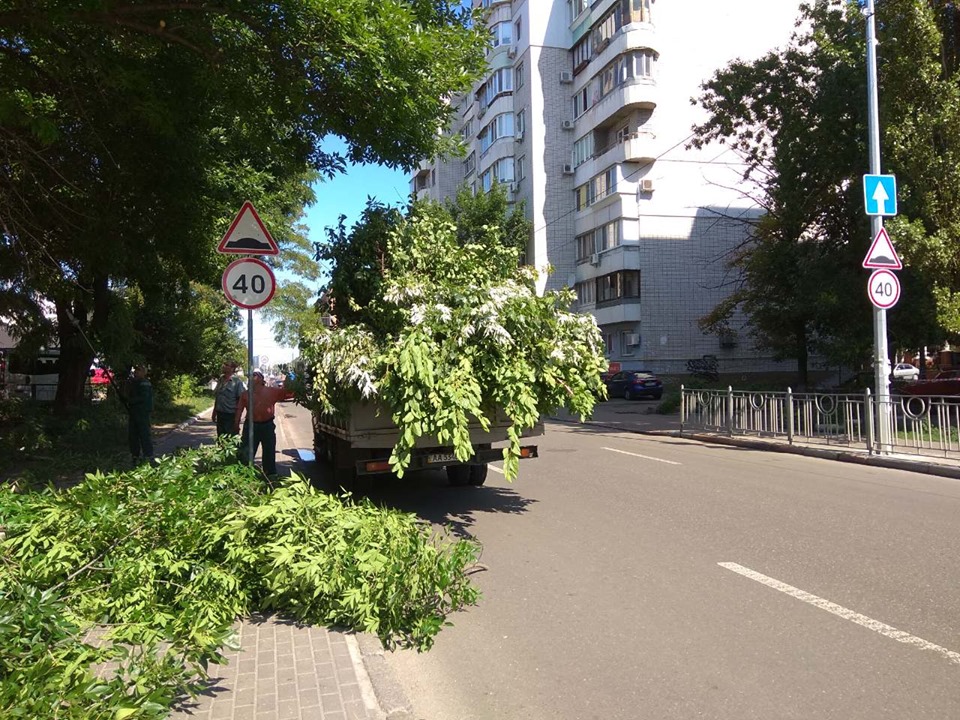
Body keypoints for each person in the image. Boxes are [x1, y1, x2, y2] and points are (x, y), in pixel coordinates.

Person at [234, 370, 294, 478]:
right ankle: (243, 476)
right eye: (250, 376)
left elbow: (288, 393)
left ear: (262, 379)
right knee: (246, 453)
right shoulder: (245, 394)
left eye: (255, 375)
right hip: (250, 426)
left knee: (269, 452)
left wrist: (291, 383)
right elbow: (239, 410)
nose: (252, 377)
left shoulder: (271, 391)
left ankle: (270, 476)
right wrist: (236, 424)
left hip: (267, 426)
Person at [126, 364, 154, 465]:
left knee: (144, 434)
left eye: (138, 370)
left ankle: (148, 455)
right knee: (133, 435)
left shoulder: (144, 384)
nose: (135, 372)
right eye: (135, 370)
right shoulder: (134, 383)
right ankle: (135, 456)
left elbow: (143, 397)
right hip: (134, 412)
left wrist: (130, 400)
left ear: (143, 372)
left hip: (142, 413)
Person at [212, 361, 245, 438]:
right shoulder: (221, 379)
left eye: (227, 365)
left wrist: (237, 420)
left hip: (230, 415)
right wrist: (214, 412)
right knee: (221, 438)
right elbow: (218, 397)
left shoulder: (237, 382)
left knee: (230, 439)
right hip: (220, 414)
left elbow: (240, 400)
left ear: (232, 368)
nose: (223, 366)